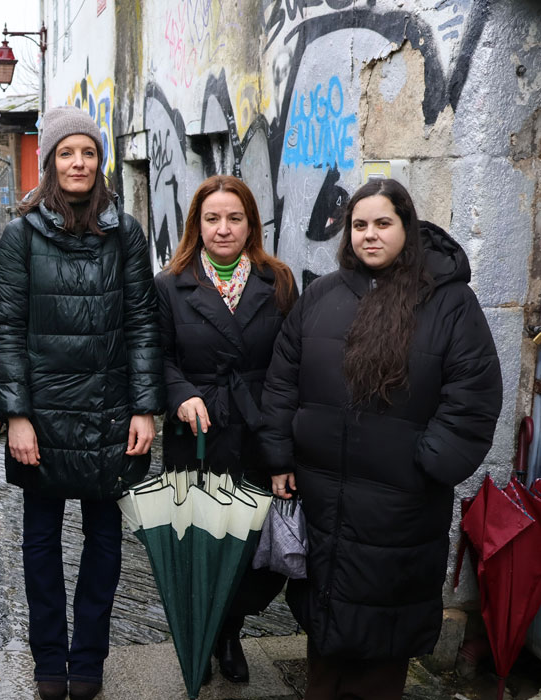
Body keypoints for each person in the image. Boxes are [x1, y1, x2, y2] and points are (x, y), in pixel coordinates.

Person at [260, 178, 502, 700]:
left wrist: (428, 464)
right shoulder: (322, 295)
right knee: (325, 631)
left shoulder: (449, 303)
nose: (370, 234)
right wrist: (279, 456)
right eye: (360, 225)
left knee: (381, 644)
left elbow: (474, 396)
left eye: (383, 223)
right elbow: (281, 381)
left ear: (406, 228)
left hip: (400, 507)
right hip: (322, 498)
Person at [0, 105, 163, 700]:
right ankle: (49, 660)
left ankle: (88, 658)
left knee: (105, 542)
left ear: (100, 162)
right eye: (67, 153)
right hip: (41, 417)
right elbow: (6, 329)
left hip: (110, 413)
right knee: (40, 545)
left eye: (88, 152)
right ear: (50, 162)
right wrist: (16, 416)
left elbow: (142, 322)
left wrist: (145, 407)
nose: (79, 163)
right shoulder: (19, 236)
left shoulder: (126, 232)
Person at [154, 174, 297, 684]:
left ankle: (229, 629)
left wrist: (282, 443)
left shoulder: (278, 281)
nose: (223, 229)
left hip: (258, 428)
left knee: (251, 544)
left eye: (234, 218)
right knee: (199, 539)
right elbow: (157, 357)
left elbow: (291, 364)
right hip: (196, 434)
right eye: (212, 218)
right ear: (197, 224)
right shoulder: (171, 284)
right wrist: (181, 394)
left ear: (251, 224)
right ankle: (203, 632)